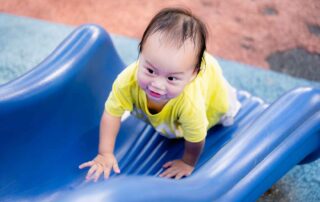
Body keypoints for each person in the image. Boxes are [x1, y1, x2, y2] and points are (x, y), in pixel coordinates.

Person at [79, 7, 241, 181]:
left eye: (171, 78)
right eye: (150, 70)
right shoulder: (128, 81)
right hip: (183, 75)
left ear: (193, 74)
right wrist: (105, 153)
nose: (157, 85)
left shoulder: (190, 102)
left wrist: (188, 163)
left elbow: (197, 138)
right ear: (141, 53)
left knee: (218, 113)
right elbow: (112, 113)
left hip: (211, 95)